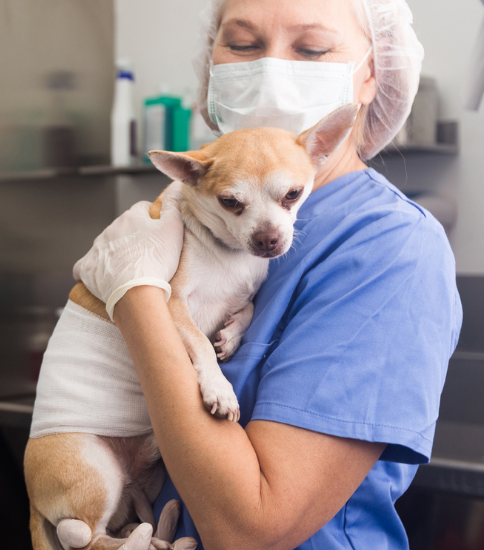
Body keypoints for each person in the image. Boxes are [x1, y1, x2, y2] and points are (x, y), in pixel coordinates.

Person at [74, 0, 460, 548]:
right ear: (210, 66)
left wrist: (136, 298)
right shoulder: (205, 217)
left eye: (312, 48)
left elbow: (250, 529)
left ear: (372, 74)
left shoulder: (389, 247)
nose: (272, 69)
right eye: (243, 44)